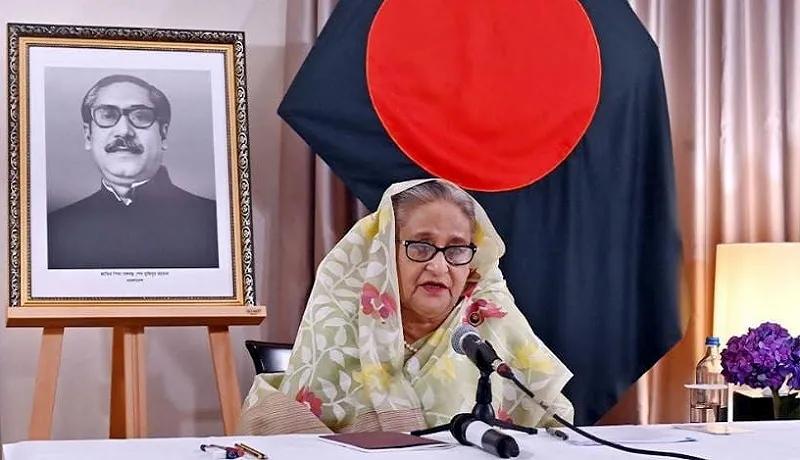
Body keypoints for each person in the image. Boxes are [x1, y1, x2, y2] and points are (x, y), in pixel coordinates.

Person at [238, 178, 574, 435]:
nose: (439, 267)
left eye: (456, 249)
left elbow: (558, 428)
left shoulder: (490, 324)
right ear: (386, 253)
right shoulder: (340, 328)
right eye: (421, 246)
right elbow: (293, 441)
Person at [46, 74, 219, 270]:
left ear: (163, 134)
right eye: (107, 116)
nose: (123, 131)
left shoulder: (214, 223)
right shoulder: (54, 229)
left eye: (140, 116)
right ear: (88, 135)